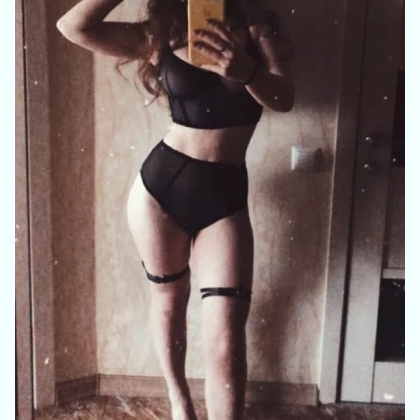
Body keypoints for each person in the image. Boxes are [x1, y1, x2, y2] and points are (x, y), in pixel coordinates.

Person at [57, 1, 294, 419]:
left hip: (225, 200)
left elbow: (284, 97)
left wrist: (248, 73)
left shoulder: (255, 23)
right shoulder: (160, 32)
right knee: (169, 301)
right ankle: (179, 400)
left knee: (226, 335)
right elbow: (73, 26)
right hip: (159, 193)